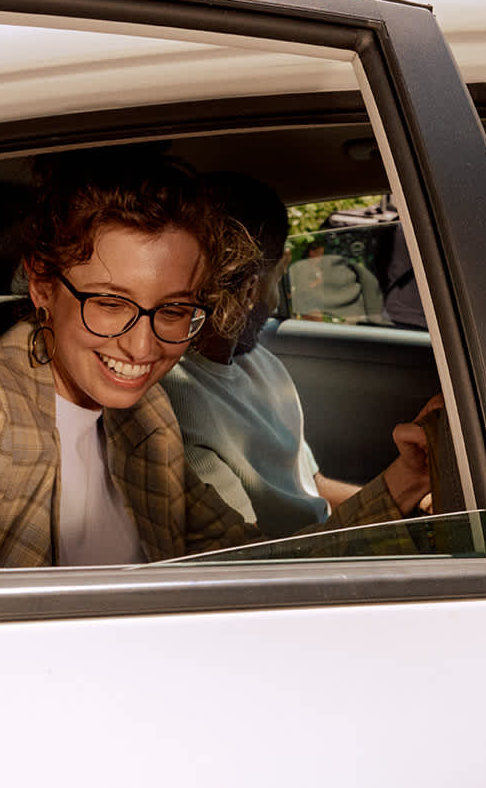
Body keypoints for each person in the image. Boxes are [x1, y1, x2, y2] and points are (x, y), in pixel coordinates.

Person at [0, 154, 411, 570]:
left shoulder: (147, 419)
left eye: (172, 310)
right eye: (110, 304)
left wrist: (404, 484)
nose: (142, 348)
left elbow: (247, 568)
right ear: (44, 285)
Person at [163, 173, 435, 539]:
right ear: (251, 287)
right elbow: (255, 561)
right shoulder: (177, 404)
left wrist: (413, 494)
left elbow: (313, 490)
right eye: (278, 275)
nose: (274, 303)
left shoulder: (262, 364)